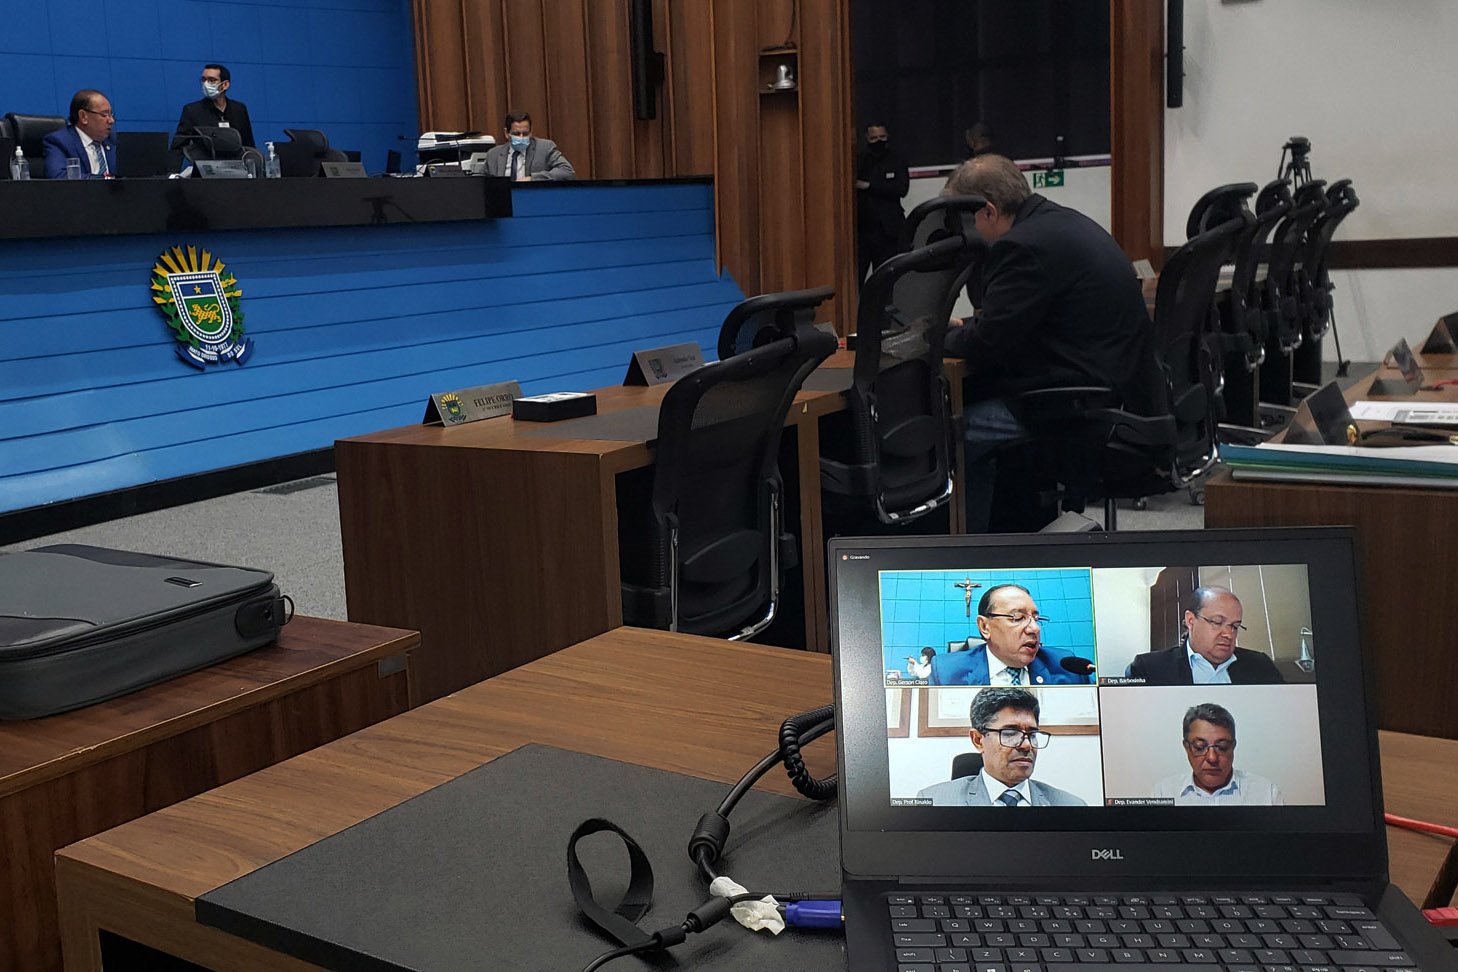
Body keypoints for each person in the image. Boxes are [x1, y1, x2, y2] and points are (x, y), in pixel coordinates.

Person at [939, 154, 1166, 531]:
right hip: (1119, 390)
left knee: (947, 436)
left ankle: (968, 547)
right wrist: (973, 324)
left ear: (989, 211)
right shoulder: (1061, 223)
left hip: (1076, 406)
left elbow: (983, 344)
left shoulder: (1022, 246)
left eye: (966, 220)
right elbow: (1024, 316)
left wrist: (935, 336)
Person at [917, 687, 1086, 806]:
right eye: (1010, 733)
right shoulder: (934, 801)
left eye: (1032, 734)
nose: (1026, 745)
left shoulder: (1071, 805)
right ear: (978, 740)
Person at [928, 584, 1092, 686]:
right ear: (985, 626)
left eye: (1036, 619)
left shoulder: (1067, 668)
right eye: (1018, 618)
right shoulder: (946, 671)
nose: (1034, 628)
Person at [1126, 586, 1285, 685]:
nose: (1228, 634)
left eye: (1235, 626)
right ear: (1191, 620)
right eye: (1217, 622)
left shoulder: (1261, 666)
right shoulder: (1148, 668)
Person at [1152, 702, 1284, 805]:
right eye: (1200, 747)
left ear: (1233, 747)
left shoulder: (1266, 794)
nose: (1212, 758)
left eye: (1222, 747)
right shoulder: (1164, 792)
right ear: (1187, 747)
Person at [854, 123, 908, 284]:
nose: (878, 141)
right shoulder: (859, 161)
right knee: (855, 278)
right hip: (862, 230)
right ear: (867, 138)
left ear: (888, 137)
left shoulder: (897, 159)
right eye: (874, 138)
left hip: (888, 230)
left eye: (882, 137)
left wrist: (869, 186)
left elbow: (901, 189)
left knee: (887, 278)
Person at [171, 64, 255, 151]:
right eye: (204, 80)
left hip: (235, 158)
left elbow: (249, 145)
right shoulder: (192, 111)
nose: (206, 84)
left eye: (212, 80)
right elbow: (178, 148)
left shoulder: (239, 109)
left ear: (225, 85)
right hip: (206, 159)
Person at [43, 90, 117, 179]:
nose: (111, 120)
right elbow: (59, 177)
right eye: (104, 114)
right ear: (83, 116)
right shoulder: (59, 142)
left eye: (111, 114)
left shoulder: (113, 141)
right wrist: (105, 180)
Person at [483, 110, 575, 181]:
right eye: (516, 134)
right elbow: (481, 182)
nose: (521, 137)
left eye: (525, 133)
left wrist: (532, 179)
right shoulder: (493, 155)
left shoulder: (544, 148)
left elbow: (567, 171)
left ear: (531, 132)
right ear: (506, 133)